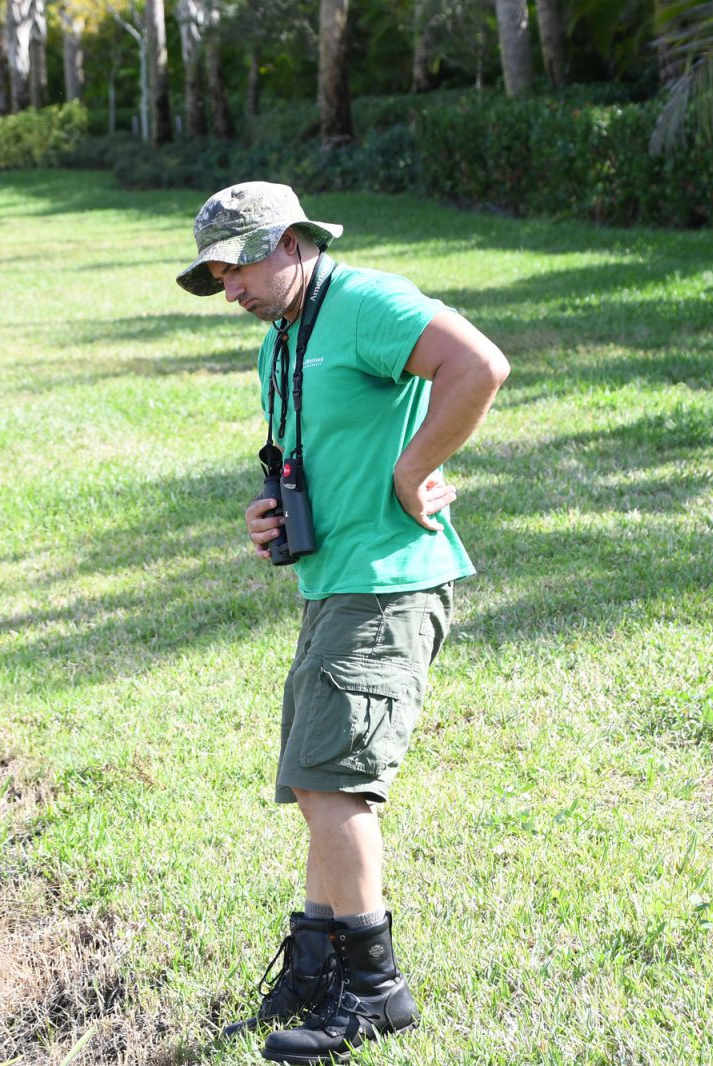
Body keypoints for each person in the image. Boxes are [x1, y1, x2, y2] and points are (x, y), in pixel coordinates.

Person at [176, 182, 508, 1063]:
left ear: (290, 243)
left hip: (389, 582)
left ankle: (374, 990)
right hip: (332, 581)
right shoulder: (283, 338)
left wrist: (414, 470)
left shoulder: (365, 302)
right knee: (314, 780)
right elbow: (308, 449)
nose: (231, 289)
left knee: (336, 785)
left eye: (239, 265)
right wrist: (268, 511)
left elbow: (479, 365)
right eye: (216, 275)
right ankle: (315, 970)